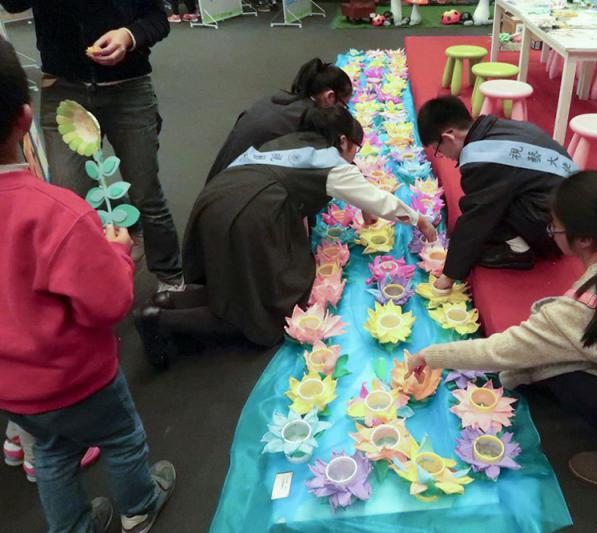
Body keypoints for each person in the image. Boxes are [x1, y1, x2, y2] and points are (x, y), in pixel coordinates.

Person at [408, 170, 597, 491]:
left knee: (554, 369)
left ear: (583, 239)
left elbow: (499, 351)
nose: (551, 233)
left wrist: (429, 356)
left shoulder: (578, 310)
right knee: (556, 356)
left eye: (554, 226)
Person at [0, 37, 175, 533]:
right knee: (121, 437)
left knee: (54, 451)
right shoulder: (56, 212)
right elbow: (109, 303)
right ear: (25, 118)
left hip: (12, 389)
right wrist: (117, 252)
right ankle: (139, 507)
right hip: (76, 378)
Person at [135, 106, 438, 368]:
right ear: (343, 140)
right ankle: (162, 321)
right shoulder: (331, 162)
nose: (353, 159)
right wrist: (420, 220)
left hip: (217, 198)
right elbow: (377, 199)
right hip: (248, 214)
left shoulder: (295, 140)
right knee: (265, 307)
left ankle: (170, 300)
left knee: (237, 282)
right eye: (354, 151)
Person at [0, 0, 185, 293]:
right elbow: (13, 4)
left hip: (129, 90)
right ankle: (92, 284)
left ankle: (170, 276)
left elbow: (157, 19)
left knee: (145, 192)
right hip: (63, 88)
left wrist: (128, 36)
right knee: (70, 198)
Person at [416, 96, 576, 292]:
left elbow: (476, 217)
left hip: (556, 233)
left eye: (437, 149)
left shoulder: (482, 160)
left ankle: (519, 250)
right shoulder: (497, 128)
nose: (443, 156)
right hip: (569, 209)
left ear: (448, 137)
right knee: (490, 198)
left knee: (484, 207)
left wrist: (448, 276)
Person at [206, 57, 353, 182]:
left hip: (216, 183)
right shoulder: (304, 122)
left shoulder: (276, 101)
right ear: (329, 97)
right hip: (239, 190)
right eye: (344, 106)